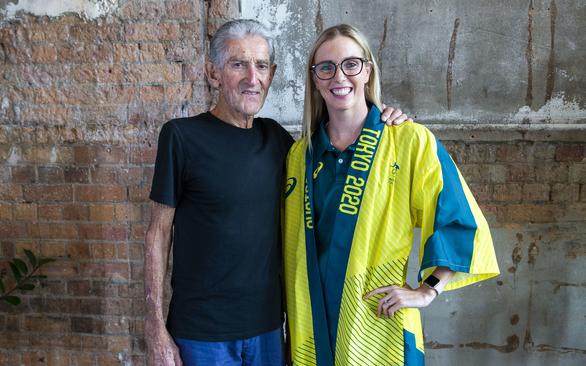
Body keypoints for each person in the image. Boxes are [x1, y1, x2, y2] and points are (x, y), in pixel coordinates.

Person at [145, 20, 409, 366]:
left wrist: (386, 119)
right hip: (201, 334)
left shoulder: (283, 144)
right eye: (238, 64)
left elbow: (341, 150)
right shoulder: (180, 137)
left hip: (269, 330)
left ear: (272, 74)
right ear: (213, 72)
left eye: (261, 66)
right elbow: (157, 232)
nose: (252, 78)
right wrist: (154, 328)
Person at [282, 24, 500, 365]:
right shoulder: (299, 156)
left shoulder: (408, 141)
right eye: (326, 67)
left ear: (367, 71)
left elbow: (460, 219)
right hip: (311, 329)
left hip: (378, 327)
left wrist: (428, 290)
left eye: (351, 64)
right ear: (315, 79)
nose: (339, 77)